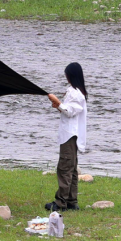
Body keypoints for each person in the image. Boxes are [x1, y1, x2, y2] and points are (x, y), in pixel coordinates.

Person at [45, 63, 88, 212]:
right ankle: (71, 200)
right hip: (70, 134)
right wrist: (59, 106)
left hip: (70, 135)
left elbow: (70, 111)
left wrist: (58, 104)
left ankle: (61, 202)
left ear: (71, 76)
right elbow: (68, 112)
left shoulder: (76, 94)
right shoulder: (75, 91)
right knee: (72, 168)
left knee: (65, 168)